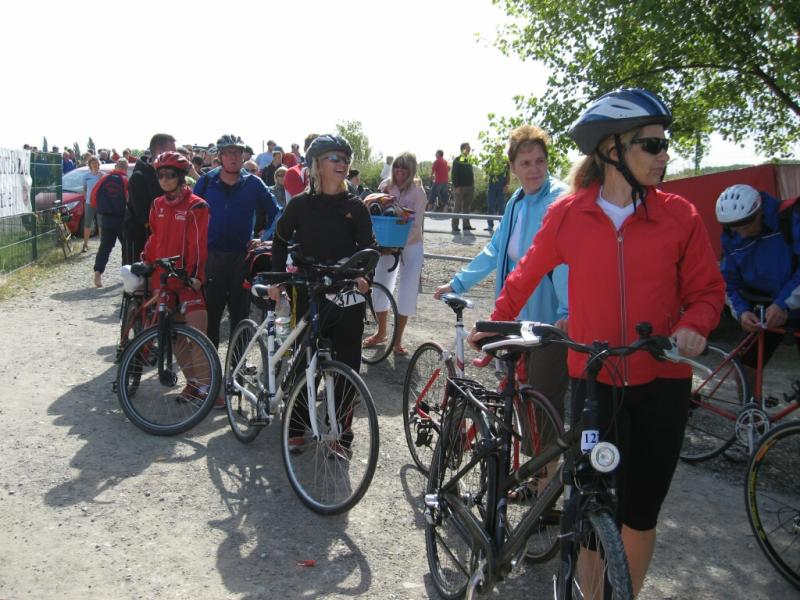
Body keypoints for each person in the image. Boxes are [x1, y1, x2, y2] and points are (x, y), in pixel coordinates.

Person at [469, 88, 725, 596]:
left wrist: (696, 323)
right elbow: (525, 273)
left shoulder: (679, 215)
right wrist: (495, 325)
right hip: (595, 382)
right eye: (652, 144)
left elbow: (707, 291)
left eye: (664, 144)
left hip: (663, 383)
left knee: (641, 513)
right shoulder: (569, 214)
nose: (664, 155)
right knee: (591, 508)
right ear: (612, 150)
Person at [436, 124, 570, 415]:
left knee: (544, 407)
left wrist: (567, 313)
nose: (534, 169)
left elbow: (567, 262)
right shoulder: (516, 201)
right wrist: (458, 283)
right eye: (526, 163)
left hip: (550, 323)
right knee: (517, 401)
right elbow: (495, 249)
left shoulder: (560, 200)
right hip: (516, 318)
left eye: (540, 161)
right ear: (513, 168)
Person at [268, 134, 376, 451]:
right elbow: (279, 239)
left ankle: (339, 432)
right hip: (310, 289)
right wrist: (278, 279)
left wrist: (364, 276)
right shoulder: (301, 205)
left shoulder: (356, 206)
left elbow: (370, 248)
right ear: (317, 164)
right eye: (335, 158)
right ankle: (297, 424)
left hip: (347, 293)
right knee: (306, 358)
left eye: (346, 159)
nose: (343, 163)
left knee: (347, 365)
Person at [194, 134, 280, 348]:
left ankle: (237, 364)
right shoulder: (206, 181)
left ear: (243, 156)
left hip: (242, 257)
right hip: (211, 256)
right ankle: (210, 364)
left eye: (238, 152)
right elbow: (191, 216)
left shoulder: (254, 183)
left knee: (240, 314)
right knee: (212, 313)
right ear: (220, 156)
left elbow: (277, 214)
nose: (233, 157)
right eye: (228, 152)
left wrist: (263, 239)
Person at [141, 152, 213, 404]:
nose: (165, 179)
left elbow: (198, 245)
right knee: (176, 337)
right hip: (162, 279)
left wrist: (195, 275)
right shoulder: (157, 205)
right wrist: (145, 260)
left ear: (181, 177)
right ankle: (192, 383)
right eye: (160, 175)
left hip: (187, 279)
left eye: (170, 174)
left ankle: (208, 389)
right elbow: (154, 238)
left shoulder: (197, 206)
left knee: (197, 335)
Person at [715, 184, 800, 373]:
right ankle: (749, 394)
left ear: (759, 212)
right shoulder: (731, 236)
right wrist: (742, 311)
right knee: (743, 369)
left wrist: (783, 303)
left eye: (746, 227)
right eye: (736, 229)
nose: (743, 234)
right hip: (762, 309)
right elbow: (728, 282)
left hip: (789, 302)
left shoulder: (790, 219)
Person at [364, 153, 427, 355]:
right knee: (380, 286)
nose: (400, 171)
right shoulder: (386, 186)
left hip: (411, 245)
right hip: (386, 245)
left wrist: (398, 244)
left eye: (405, 168)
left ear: (411, 170)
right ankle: (381, 332)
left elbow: (417, 225)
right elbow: (376, 216)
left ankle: (398, 340)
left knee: (407, 291)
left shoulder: (418, 192)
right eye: (397, 167)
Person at [124, 133, 177, 265]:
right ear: (160, 152)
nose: (176, 156)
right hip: (139, 240)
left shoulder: (164, 175)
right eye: (173, 152)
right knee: (138, 276)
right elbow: (143, 216)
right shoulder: (139, 177)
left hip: (160, 240)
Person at [91, 158, 129, 287]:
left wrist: (99, 209)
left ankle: (98, 272)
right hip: (122, 218)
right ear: (125, 168)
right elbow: (129, 199)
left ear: (116, 166)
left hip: (107, 218)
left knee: (105, 247)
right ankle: (126, 275)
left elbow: (93, 195)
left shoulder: (104, 178)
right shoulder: (125, 180)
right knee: (126, 246)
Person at [451, 142, 475, 232]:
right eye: (468, 147)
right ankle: (455, 226)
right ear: (463, 149)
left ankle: (466, 225)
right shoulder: (458, 159)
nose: (469, 149)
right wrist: (456, 186)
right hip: (460, 187)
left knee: (467, 207)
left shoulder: (469, 159)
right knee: (457, 207)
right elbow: (454, 174)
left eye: (469, 147)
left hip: (470, 187)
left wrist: (472, 184)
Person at [81, 156, 103, 252]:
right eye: (92, 163)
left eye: (96, 163)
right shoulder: (86, 176)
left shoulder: (103, 175)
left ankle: (102, 245)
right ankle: (85, 244)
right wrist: (86, 198)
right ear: (89, 165)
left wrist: (101, 179)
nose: (94, 165)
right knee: (87, 224)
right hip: (89, 203)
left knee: (101, 224)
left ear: (99, 164)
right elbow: (84, 189)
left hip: (100, 203)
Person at [485, 165, 509, 232]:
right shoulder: (490, 162)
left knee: (501, 206)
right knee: (490, 206)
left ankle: (503, 225)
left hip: (502, 187)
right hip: (492, 187)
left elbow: (507, 174)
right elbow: (486, 172)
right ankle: (490, 225)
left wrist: (507, 185)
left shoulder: (504, 162)